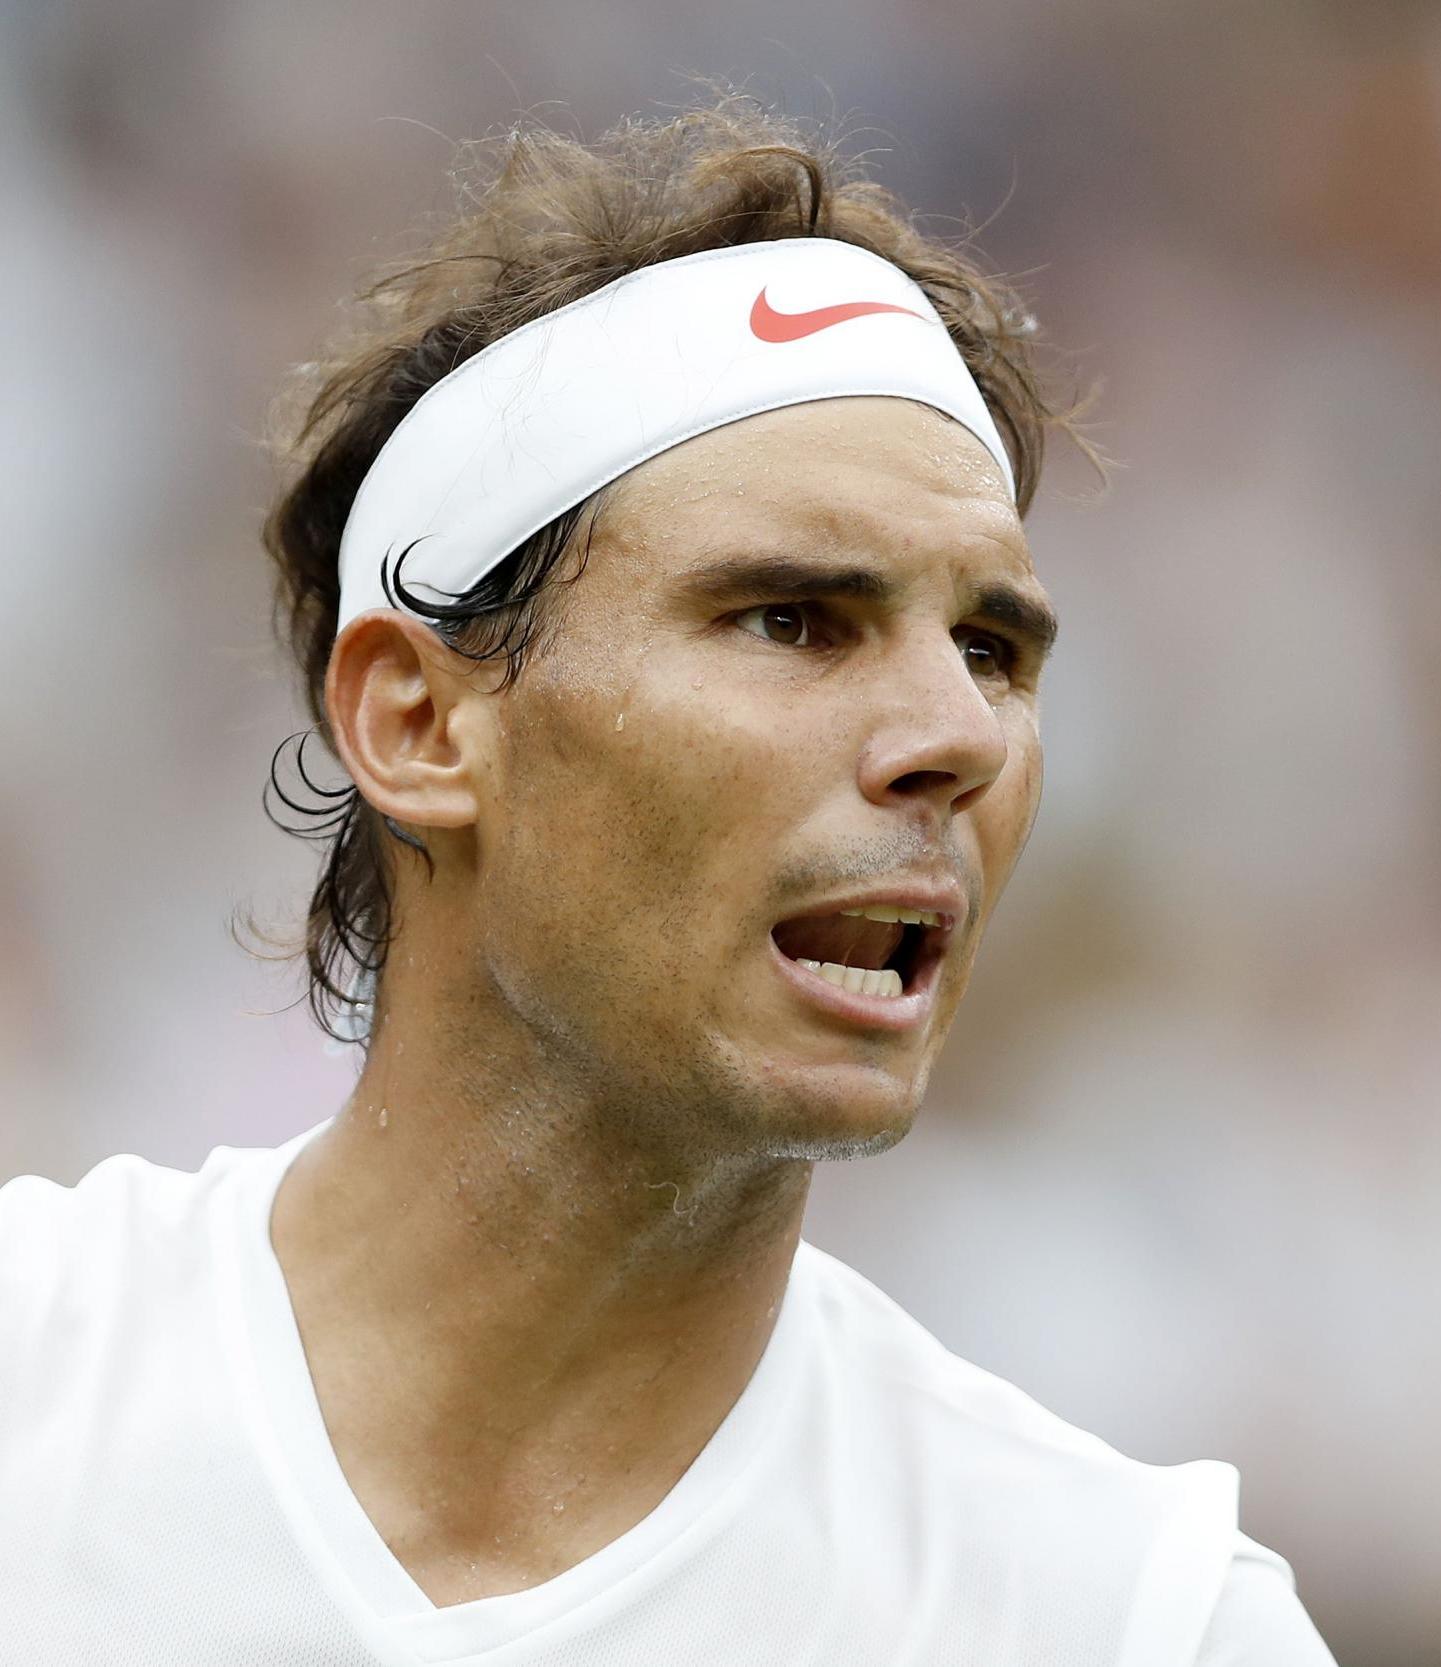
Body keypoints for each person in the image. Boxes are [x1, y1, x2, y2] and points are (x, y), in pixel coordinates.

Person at [0, 97, 1336, 1665]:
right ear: (419, 721)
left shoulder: (1135, 1625)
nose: (956, 736)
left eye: (991, 648)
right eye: (790, 618)